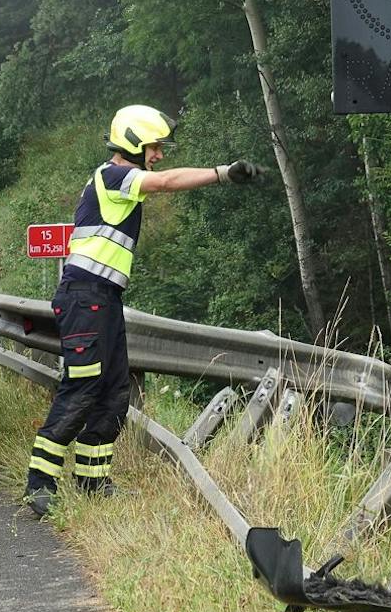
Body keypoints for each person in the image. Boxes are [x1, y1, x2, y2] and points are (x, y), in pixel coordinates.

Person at [24, 105, 261, 515]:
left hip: (104, 300)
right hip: (85, 298)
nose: (159, 156)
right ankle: (39, 483)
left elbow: (162, 176)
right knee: (81, 390)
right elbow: (167, 182)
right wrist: (222, 173)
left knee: (114, 393)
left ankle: (92, 482)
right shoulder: (113, 176)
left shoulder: (120, 181)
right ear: (134, 144)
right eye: (154, 147)